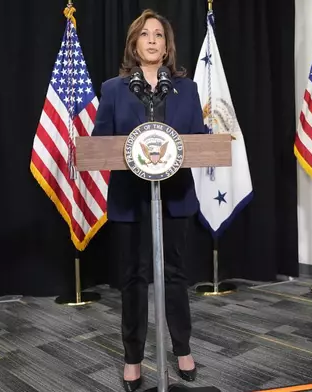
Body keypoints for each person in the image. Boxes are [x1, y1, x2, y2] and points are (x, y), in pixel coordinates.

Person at [91, 9, 206, 392]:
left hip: (175, 197)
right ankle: (133, 357)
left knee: (175, 275)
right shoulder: (112, 89)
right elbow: (100, 144)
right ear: (134, 43)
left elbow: (199, 140)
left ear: (167, 44)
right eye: (145, 34)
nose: (153, 40)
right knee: (133, 279)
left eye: (159, 34)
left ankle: (183, 348)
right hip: (130, 199)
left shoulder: (186, 89)